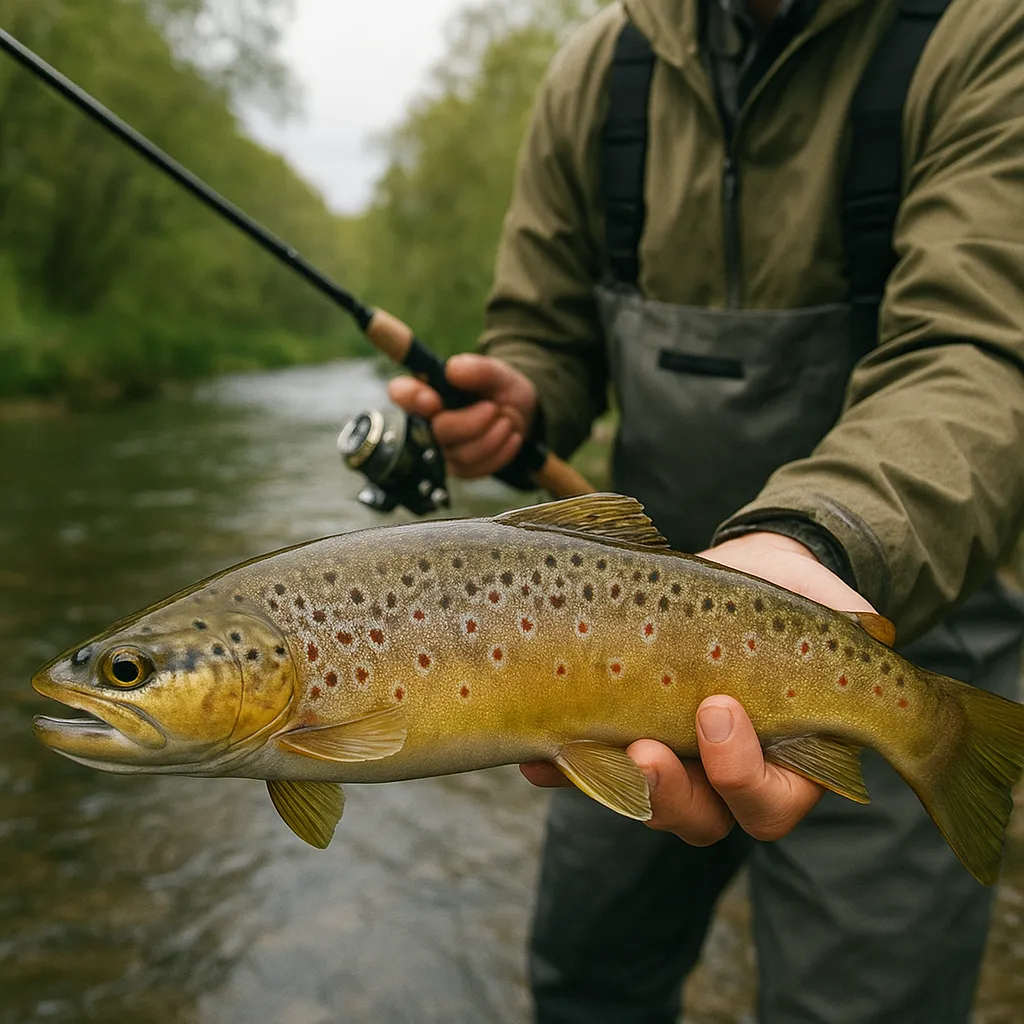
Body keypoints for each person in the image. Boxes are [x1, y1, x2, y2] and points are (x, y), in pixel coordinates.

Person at [389, 0, 1024, 1020]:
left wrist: (814, 543)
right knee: (587, 987)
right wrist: (526, 392)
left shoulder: (983, 38)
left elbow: (982, 355)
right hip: (591, 652)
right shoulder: (598, 72)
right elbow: (545, 326)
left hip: (895, 623)